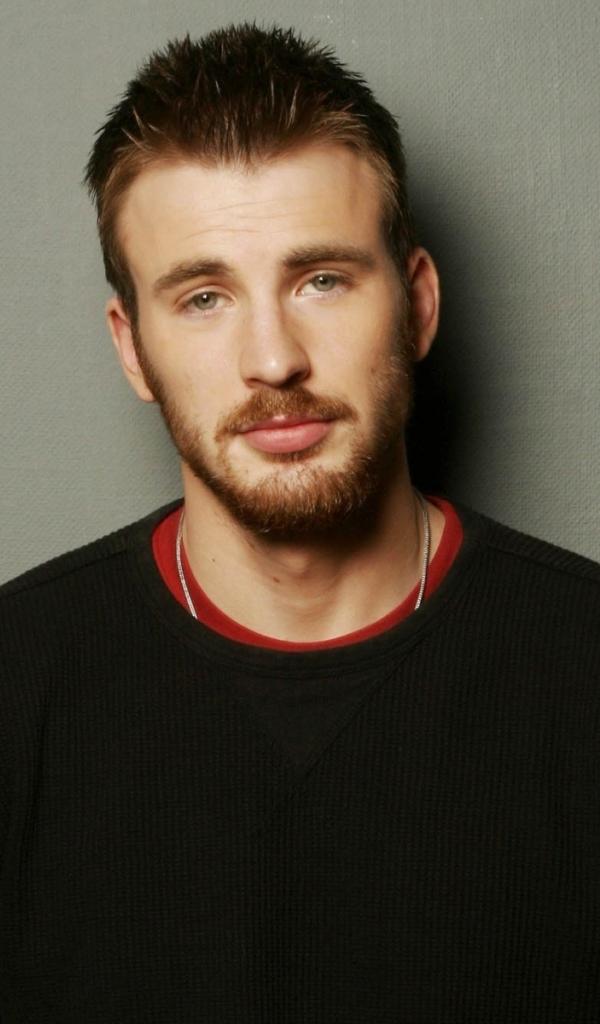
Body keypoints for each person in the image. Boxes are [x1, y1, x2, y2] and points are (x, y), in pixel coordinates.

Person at [1, 22, 599, 1024]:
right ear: (133, 349)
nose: (273, 359)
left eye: (321, 279)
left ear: (416, 304)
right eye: (203, 298)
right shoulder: (19, 683)